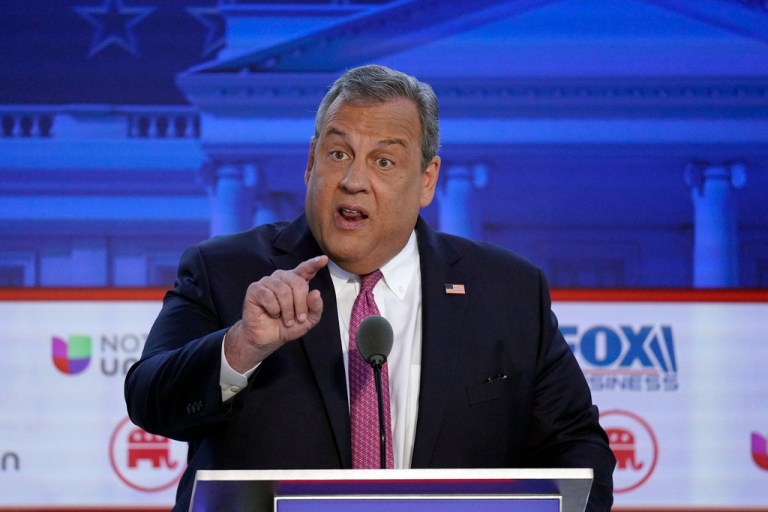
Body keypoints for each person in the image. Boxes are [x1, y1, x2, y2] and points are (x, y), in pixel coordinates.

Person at [125, 64, 615, 511]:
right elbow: (149, 399)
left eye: (384, 162)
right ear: (310, 163)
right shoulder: (226, 271)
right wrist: (242, 347)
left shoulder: (507, 292)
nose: (353, 181)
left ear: (426, 180)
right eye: (338, 154)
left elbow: (579, 453)